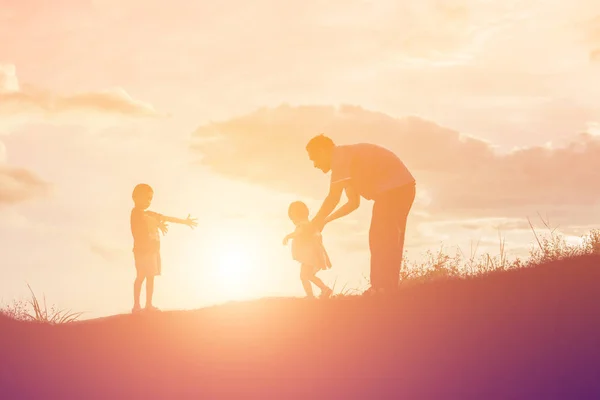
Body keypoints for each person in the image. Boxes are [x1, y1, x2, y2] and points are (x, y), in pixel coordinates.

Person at [304, 134, 416, 295]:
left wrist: (314, 223)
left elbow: (333, 198)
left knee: (381, 237)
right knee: (387, 237)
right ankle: (386, 289)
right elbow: (353, 203)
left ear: (322, 151)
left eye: (314, 159)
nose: (315, 165)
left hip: (394, 190)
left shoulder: (339, 157)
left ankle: (381, 288)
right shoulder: (346, 164)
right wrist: (326, 220)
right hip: (401, 188)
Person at [130, 183, 197, 313]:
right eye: (145, 197)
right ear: (135, 197)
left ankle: (148, 304)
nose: (148, 201)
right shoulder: (136, 213)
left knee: (151, 276)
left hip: (153, 250)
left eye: (150, 198)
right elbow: (142, 220)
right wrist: (158, 223)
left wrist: (184, 221)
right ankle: (136, 306)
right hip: (142, 251)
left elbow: (167, 218)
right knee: (140, 276)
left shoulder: (150, 214)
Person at [283, 201, 333, 299]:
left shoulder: (302, 225)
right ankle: (324, 290)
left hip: (309, 258)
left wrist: (288, 236)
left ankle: (313, 294)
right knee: (309, 276)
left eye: (292, 217)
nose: (292, 220)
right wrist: (325, 258)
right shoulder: (311, 226)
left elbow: (299, 232)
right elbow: (319, 242)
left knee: (304, 276)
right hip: (312, 257)